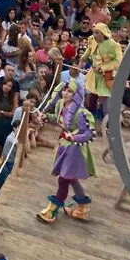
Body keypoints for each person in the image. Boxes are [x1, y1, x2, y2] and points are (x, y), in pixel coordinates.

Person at [37, 82, 97, 223]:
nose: (65, 93)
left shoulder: (82, 113)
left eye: (70, 91)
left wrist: (74, 137)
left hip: (75, 149)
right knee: (70, 178)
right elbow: (59, 119)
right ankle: (83, 208)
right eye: (64, 90)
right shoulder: (60, 105)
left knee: (63, 179)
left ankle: (52, 210)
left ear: (76, 94)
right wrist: (47, 117)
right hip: (63, 146)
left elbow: (89, 133)